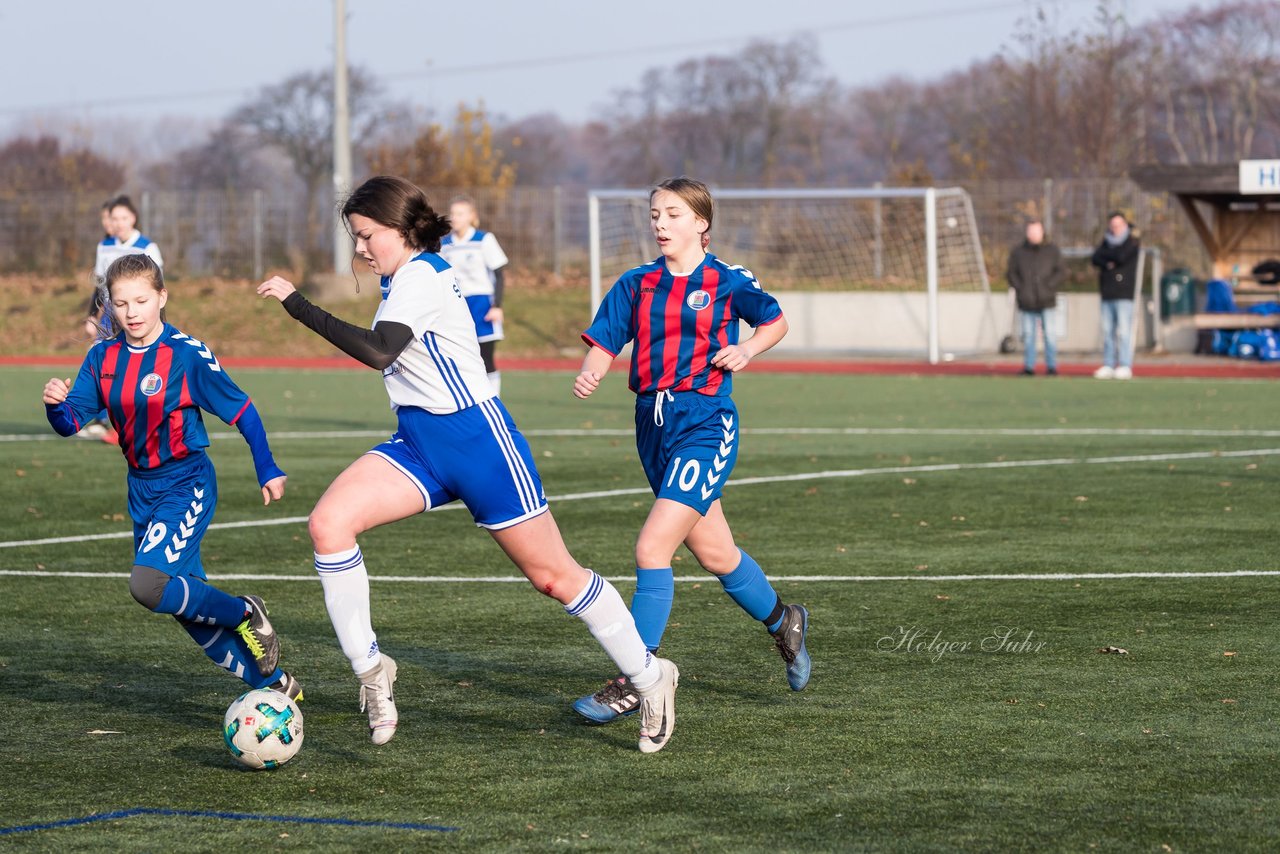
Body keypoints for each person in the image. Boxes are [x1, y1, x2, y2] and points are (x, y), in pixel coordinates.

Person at [256, 175, 679, 753]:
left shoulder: (422, 277)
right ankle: (372, 672)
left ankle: (652, 679)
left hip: (480, 443)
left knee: (555, 577)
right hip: (419, 444)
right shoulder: (404, 277)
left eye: (366, 235)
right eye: (354, 237)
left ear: (402, 230)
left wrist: (297, 304)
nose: (359, 248)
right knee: (329, 525)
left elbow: (379, 350)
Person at [570, 176, 811, 724]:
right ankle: (785, 621)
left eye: (673, 214)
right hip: (652, 425)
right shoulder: (636, 283)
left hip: (705, 422)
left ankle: (638, 677)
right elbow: (605, 341)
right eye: (655, 214)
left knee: (652, 548)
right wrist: (590, 372)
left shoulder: (727, 280)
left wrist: (747, 348)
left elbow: (775, 321)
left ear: (701, 223)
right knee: (717, 554)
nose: (660, 223)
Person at [43, 254, 298, 701]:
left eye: (141, 300)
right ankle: (275, 685)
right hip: (141, 489)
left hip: (187, 482)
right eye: (120, 303)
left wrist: (267, 466)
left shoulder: (186, 355)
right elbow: (71, 422)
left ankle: (244, 611)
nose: (131, 312)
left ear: (162, 297)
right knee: (187, 609)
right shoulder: (102, 357)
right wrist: (54, 404)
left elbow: (242, 409)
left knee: (148, 585)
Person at [439, 195, 509, 395]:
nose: (455, 218)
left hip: (482, 303)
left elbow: (499, 274)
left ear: (472, 216)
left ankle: (493, 399)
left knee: (485, 357)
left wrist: (497, 306)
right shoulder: (444, 244)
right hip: (456, 304)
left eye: (460, 214)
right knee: (459, 356)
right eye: (452, 214)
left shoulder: (484, 239)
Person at [1006, 219, 1064, 376]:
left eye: (1036, 231)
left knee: (1050, 334)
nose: (1033, 234)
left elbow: (1060, 271)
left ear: (1042, 232)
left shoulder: (1052, 250)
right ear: (1027, 232)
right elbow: (1011, 273)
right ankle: (1029, 367)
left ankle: (1051, 366)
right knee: (1028, 335)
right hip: (1026, 301)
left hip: (1047, 300)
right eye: (1031, 231)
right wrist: (1021, 288)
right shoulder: (1018, 252)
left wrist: (1049, 286)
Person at [1090, 211, 1140, 379]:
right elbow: (1095, 258)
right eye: (1113, 225)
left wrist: (1109, 260)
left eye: (1118, 225)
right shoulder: (1106, 241)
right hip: (1107, 292)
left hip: (1124, 294)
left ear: (1125, 225)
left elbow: (1121, 256)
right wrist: (1108, 261)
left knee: (1124, 332)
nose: (1115, 228)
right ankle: (1109, 364)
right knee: (1107, 331)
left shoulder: (1132, 241)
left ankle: (1125, 364)